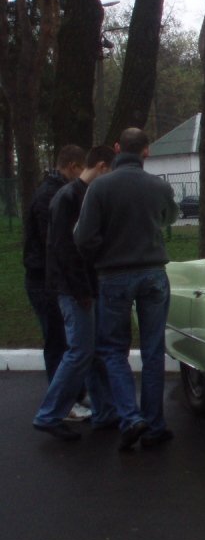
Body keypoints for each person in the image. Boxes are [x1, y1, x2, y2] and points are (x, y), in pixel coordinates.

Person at [74, 128, 180, 451]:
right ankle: (154, 424)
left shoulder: (100, 187)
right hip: (153, 274)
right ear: (146, 151)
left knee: (112, 349)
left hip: (114, 276)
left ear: (118, 148)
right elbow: (169, 218)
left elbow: (82, 237)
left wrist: (103, 251)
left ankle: (130, 417)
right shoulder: (159, 187)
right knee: (152, 350)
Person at [32, 146, 119, 441]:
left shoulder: (77, 196)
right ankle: (50, 414)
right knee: (80, 351)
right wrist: (82, 290)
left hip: (80, 286)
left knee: (90, 350)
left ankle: (106, 411)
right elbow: (64, 250)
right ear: (102, 166)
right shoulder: (68, 198)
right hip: (73, 288)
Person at [23, 145, 92, 421]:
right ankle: (62, 403)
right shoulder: (50, 197)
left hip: (47, 277)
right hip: (44, 280)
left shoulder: (53, 193)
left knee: (64, 340)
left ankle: (72, 394)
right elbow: (53, 243)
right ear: (73, 166)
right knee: (57, 341)